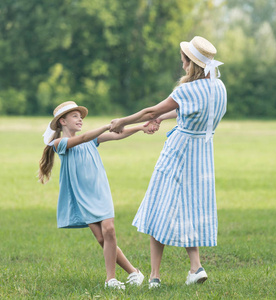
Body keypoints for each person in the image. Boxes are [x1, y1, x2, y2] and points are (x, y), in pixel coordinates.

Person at [109, 36, 227, 288]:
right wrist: (164, 117)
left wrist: (123, 121)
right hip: (202, 157)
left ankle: (155, 276)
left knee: (157, 206)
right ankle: (196, 267)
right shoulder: (219, 88)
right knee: (190, 209)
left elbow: (150, 111)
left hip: (179, 153)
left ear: (192, 64)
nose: (182, 66)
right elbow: (191, 110)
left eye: (184, 62)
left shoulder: (186, 90)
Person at [38, 101, 157, 289]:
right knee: (102, 239)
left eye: (81, 117)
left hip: (99, 190)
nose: (80, 120)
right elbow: (84, 137)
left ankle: (110, 279)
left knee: (109, 230)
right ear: (62, 121)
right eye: (75, 116)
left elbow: (118, 135)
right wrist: (107, 125)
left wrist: (140, 127)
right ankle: (134, 272)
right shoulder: (59, 143)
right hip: (82, 196)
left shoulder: (93, 140)